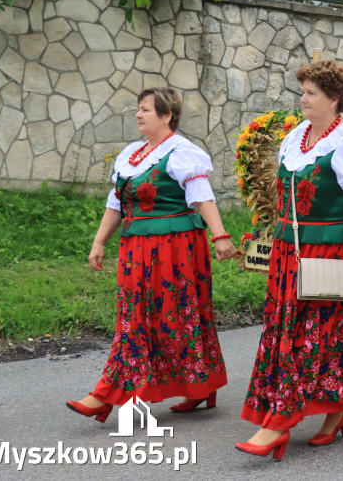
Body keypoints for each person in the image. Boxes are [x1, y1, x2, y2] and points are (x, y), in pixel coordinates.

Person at [237, 60, 343, 459]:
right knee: (287, 331)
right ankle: (328, 409)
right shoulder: (296, 136)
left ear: (334, 99)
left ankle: (281, 420)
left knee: (321, 333)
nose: (302, 99)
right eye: (302, 91)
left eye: (311, 93)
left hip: (330, 251)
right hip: (289, 252)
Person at [66, 87, 234, 423]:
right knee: (135, 318)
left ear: (167, 115)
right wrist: (99, 242)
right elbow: (116, 204)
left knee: (179, 315)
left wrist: (220, 237)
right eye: (138, 109)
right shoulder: (131, 154)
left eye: (145, 109)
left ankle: (109, 395)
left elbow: (202, 198)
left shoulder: (183, 153)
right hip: (135, 248)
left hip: (177, 248)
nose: (138, 115)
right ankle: (195, 386)